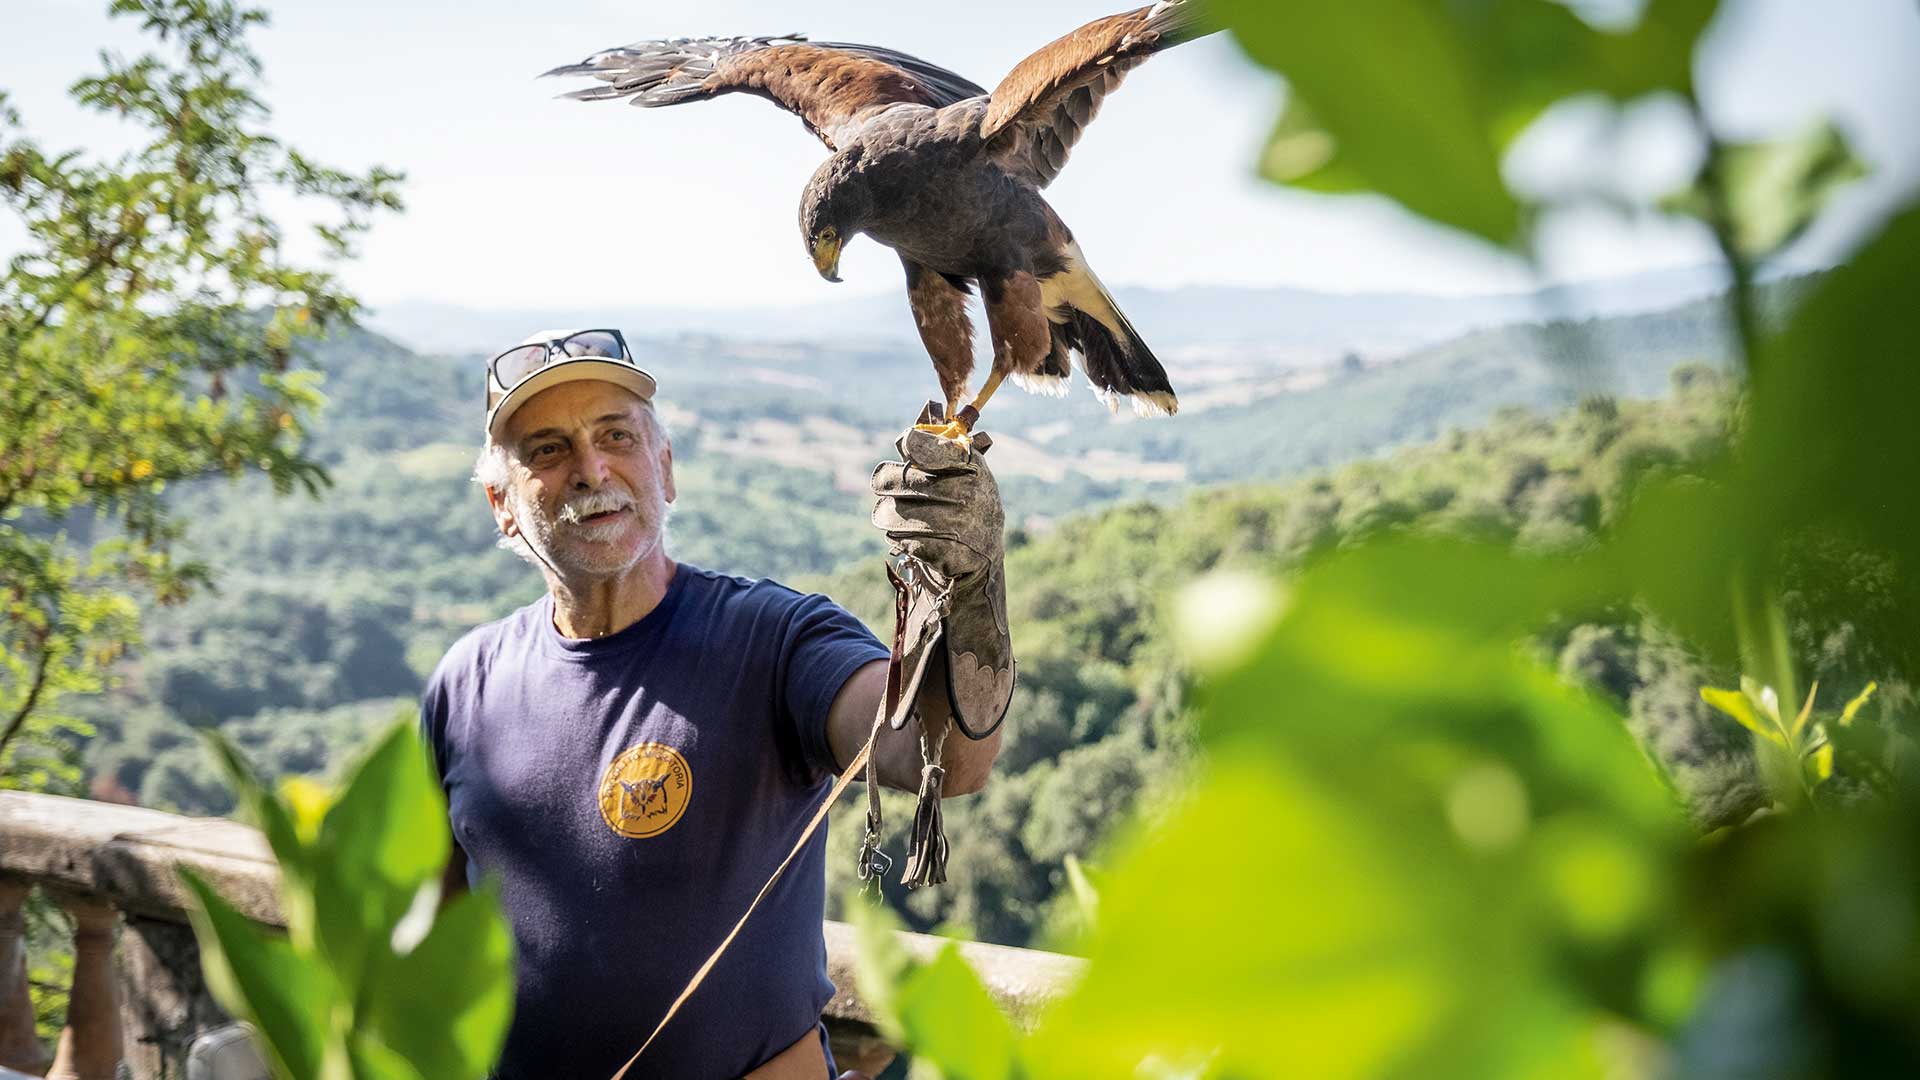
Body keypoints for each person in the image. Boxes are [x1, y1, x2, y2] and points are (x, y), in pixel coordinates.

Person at [419, 329, 1011, 1079]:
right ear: (501, 504)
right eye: (547, 449)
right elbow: (432, 933)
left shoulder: (774, 641)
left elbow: (941, 758)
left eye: (616, 436)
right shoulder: (463, 684)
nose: (590, 469)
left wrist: (971, 594)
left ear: (663, 470)